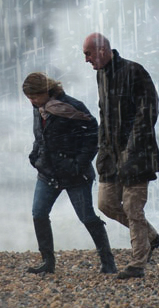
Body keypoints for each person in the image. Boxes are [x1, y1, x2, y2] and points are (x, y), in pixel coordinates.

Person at [82, 33, 159, 280]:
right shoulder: (101, 74)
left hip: (138, 154)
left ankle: (138, 263)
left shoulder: (134, 71)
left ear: (103, 50)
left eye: (88, 54)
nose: (86, 60)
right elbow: (104, 114)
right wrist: (102, 148)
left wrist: (132, 149)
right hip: (110, 155)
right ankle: (150, 237)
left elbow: (149, 111)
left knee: (132, 208)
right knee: (105, 204)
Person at [22, 72, 116, 274]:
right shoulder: (37, 108)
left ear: (46, 91)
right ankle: (48, 262)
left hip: (76, 175)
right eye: (29, 98)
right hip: (47, 173)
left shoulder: (72, 106)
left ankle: (108, 262)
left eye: (34, 96)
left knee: (87, 217)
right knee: (39, 213)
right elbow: (40, 136)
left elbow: (93, 135)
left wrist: (78, 163)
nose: (32, 101)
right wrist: (34, 155)